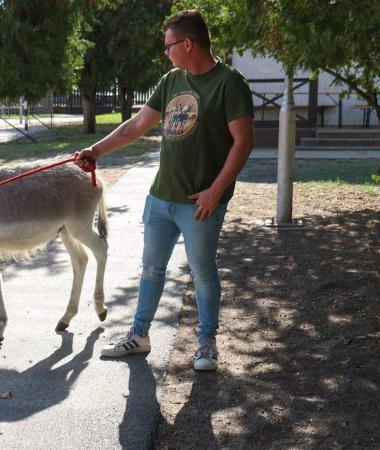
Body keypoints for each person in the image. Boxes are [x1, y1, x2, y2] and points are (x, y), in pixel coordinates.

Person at [74, 10, 254, 371]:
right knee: (151, 269)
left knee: (203, 272)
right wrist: (96, 151)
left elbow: (243, 142)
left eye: (169, 46)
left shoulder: (229, 83)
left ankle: (206, 344)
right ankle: (139, 336)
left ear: (188, 44)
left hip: (200, 203)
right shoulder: (172, 80)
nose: (166, 53)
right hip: (161, 199)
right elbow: (136, 126)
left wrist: (216, 191)